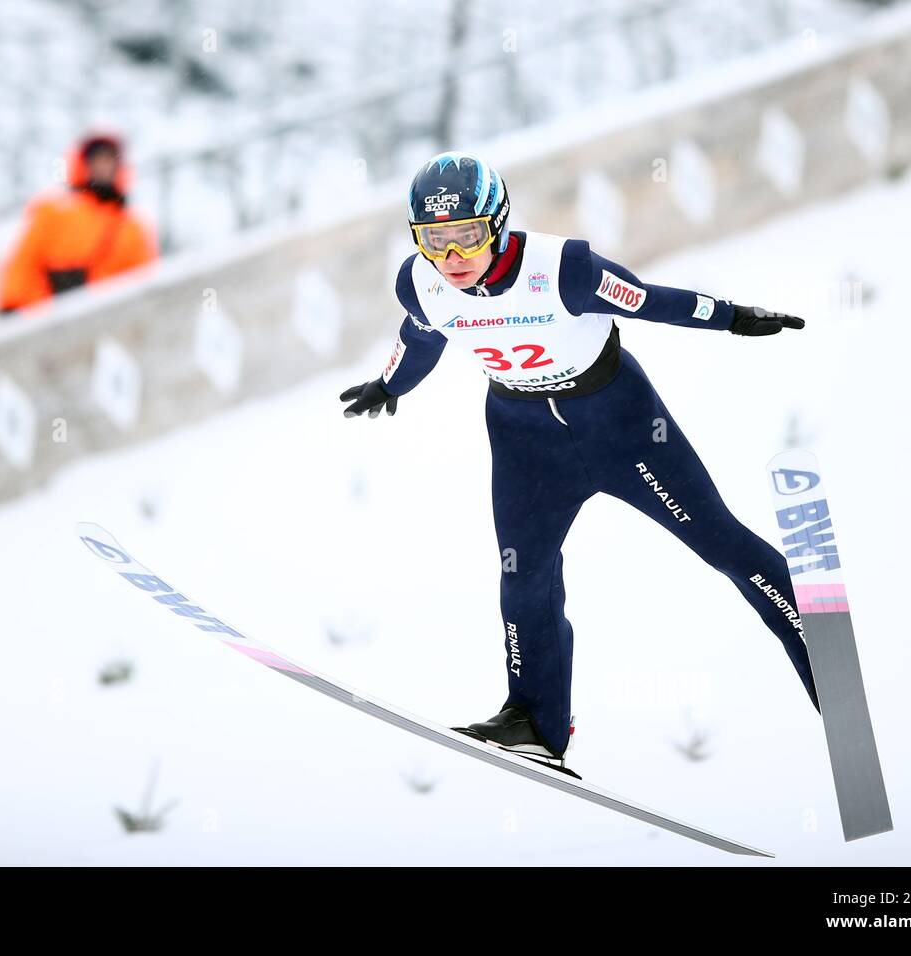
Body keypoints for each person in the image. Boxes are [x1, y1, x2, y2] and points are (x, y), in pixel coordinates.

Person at [340, 151, 819, 768]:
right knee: (524, 579)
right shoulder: (420, 280)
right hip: (524, 439)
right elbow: (422, 335)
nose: (451, 258)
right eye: (435, 241)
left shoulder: (562, 269)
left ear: (498, 223)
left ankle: (816, 645)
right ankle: (536, 721)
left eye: (466, 237)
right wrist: (389, 385)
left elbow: (647, 300)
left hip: (619, 426)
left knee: (720, 542)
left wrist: (733, 317)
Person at [0, 131, 159, 313]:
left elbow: (143, 281)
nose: (103, 166)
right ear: (84, 164)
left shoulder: (132, 227)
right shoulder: (53, 210)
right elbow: (25, 262)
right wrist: (13, 304)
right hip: (51, 316)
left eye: (109, 159)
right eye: (98, 159)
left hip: (104, 319)